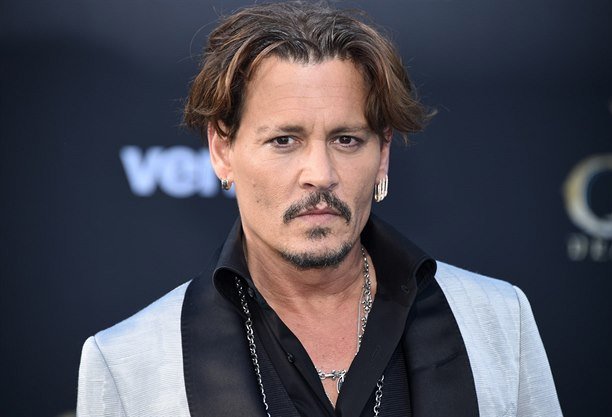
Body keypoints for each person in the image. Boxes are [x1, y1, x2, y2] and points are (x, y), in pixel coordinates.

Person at [77, 2, 562, 416]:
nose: (320, 173)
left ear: (382, 153)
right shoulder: (127, 363)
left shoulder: (501, 323)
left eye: (346, 139)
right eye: (284, 140)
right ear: (222, 150)